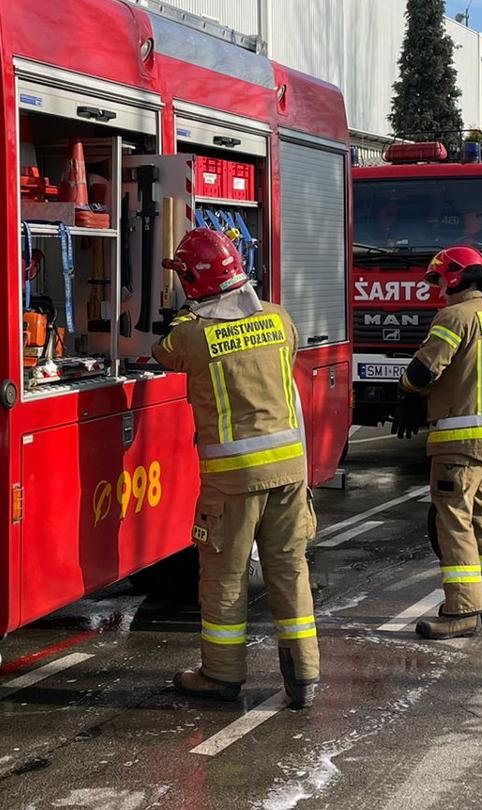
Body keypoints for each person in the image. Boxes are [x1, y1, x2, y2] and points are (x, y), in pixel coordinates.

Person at [153, 228, 320, 710]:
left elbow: (160, 354)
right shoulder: (279, 318)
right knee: (289, 570)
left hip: (235, 480)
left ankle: (221, 675)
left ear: (195, 282)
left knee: (224, 576)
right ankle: (303, 677)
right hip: (290, 473)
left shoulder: (192, 336)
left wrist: (179, 318)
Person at [391, 246, 482, 639]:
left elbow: (424, 370)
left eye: (440, 280)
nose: (438, 289)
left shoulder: (453, 317)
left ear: (456, 276)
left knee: (453, 524)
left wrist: (406, 393)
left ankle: (461, 609)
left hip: (456, 445)